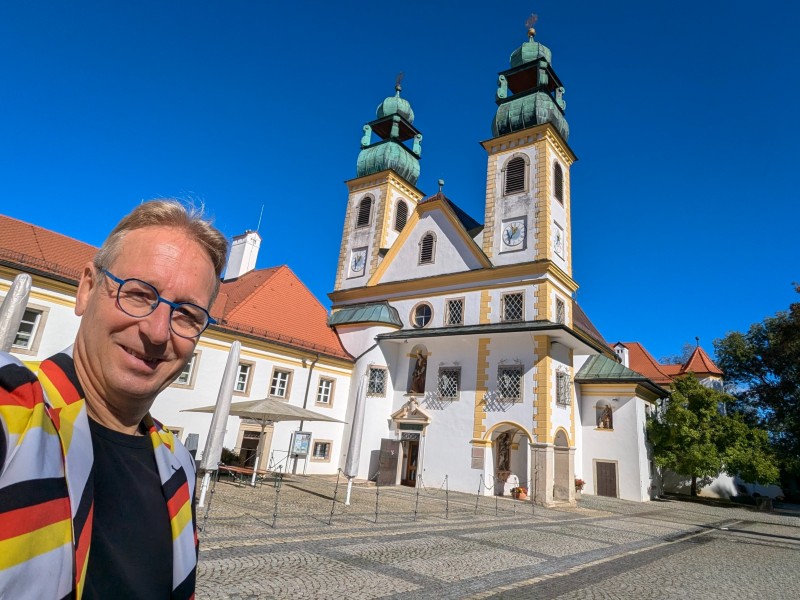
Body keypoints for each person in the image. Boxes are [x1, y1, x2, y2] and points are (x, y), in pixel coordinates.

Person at [0, 200, 229, 599]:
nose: (158, 332)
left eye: (187, 315)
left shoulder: (178, 465)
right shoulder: (16, 409)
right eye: (139, 294)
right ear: (87, 288)